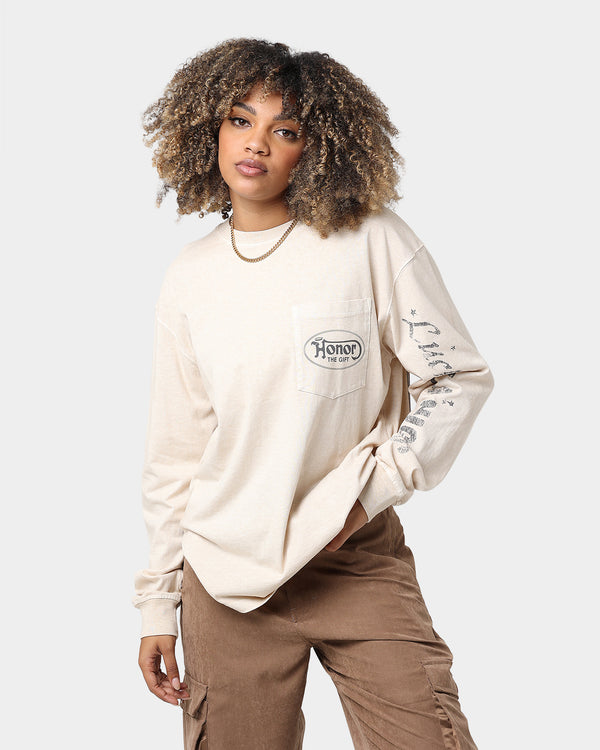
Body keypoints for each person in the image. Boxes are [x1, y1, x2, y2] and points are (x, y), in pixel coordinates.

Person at [133, 37, 494, 749]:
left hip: (353, 561)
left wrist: (367, 496)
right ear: (208, 130)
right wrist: (156, 603)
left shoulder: (371, 241)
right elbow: (177, 453)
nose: (257, 143)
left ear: (320, 146)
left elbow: (456, 377)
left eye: (286, 129)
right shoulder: (190, 277)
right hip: (226, 581)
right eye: (240, 120)